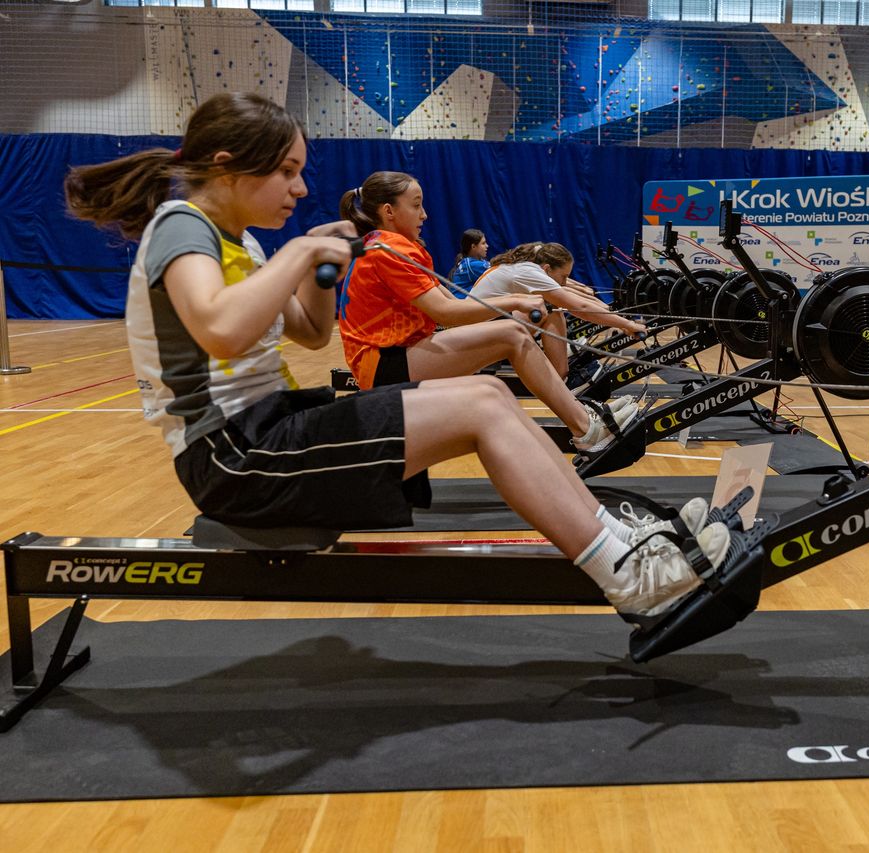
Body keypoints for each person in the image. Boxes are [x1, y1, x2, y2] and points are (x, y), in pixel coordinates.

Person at [62, 91, 730, 625]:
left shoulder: (241, 241)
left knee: (492, 397)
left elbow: (305, 332)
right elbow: (219, 332)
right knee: (482, 405)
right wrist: (300, 252)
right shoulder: (185, 226)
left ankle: (622, 541)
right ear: (230, 166)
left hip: (270, 427)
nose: (299, 190)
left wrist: (317, 274)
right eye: (288, 172)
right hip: (234, 457)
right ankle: (629, 575)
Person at [337, 171, 635, 454]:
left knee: (515, 330)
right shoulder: (390, 250)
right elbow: (446, 313)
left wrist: (513, 305)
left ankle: (581, 416)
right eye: (416, 206)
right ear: (389, 211)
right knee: (514, 335)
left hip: (395, 355)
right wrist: (514, 301)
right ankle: (586, 430)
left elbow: (449, 301)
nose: (425, 214)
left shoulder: (390, 246)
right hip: (383, 365)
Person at [470, 241, 646, 378]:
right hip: (478, 333)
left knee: (549, 304)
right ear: (547, 268)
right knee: (552, 306)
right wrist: (626, 324)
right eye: (564, 276)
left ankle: (559, 373)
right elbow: (579, 307)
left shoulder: (525, 269)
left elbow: (575, 300)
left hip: (485, 325)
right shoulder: (528, 272)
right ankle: (561, 376)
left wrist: (614, 316)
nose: (564, 281)